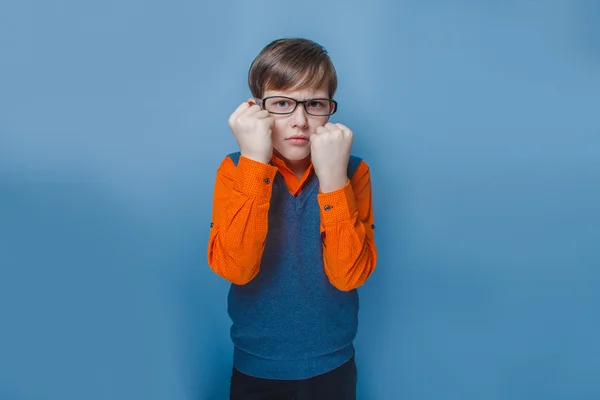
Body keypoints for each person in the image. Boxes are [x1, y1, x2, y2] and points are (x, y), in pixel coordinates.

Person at [207, 37, 377, 399]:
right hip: (255, 365)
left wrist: (333, 182)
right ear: (256, 110)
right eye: (283, 103)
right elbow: (235, 269)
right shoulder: (235, 169)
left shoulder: (354, 172)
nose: (300, 121)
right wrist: (254, 161)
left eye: (314, 103)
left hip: (333, 365)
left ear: (329, 107)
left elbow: (349, 276)